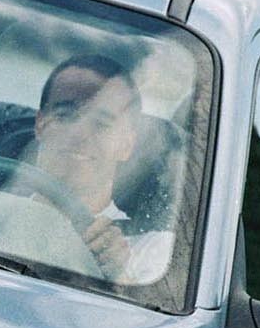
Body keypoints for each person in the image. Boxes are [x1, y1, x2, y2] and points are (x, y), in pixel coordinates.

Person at [15, 52, 174, 283]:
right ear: (40, 124)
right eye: (65, 115)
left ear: (126, 144)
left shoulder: (156, 252)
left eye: (101, 123)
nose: (79, 134)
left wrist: (117, 275)